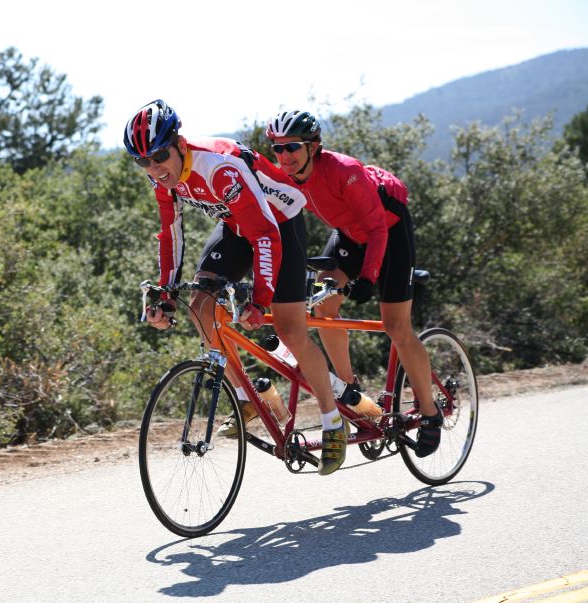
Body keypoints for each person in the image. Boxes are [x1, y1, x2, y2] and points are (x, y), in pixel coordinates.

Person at [124, 99, 349, 475]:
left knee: (290, 329)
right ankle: (248, 398)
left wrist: (260, 300)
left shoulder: (219, 168)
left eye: (159, 155)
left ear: (178, 143)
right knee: (201, 304)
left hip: (279, 224)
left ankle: (333, 422)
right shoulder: (161, 176)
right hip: (237, 224)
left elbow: (264, 233)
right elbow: (170, 233)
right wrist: (165, 292)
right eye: (142, 161)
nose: (153, 168)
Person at [265, 110, 442, 457]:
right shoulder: (286, 178)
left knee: (396, 327)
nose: (285, 156)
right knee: (325, 303)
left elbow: (376, 229)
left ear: (314, 146)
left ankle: (430, 412)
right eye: (278, 149)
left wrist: (368, 277)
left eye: (293, 147)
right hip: (348, 234)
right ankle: (351, 392)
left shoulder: (343, 171)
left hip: (387, 231)